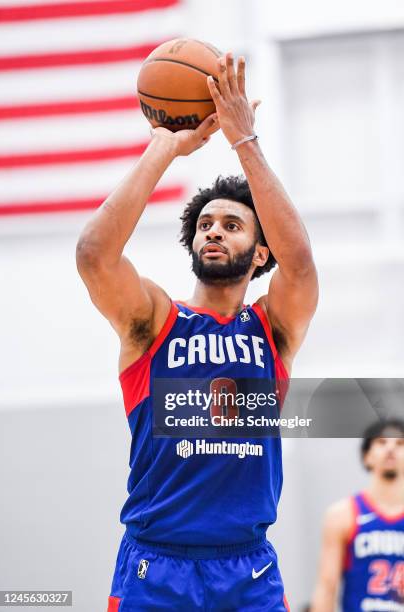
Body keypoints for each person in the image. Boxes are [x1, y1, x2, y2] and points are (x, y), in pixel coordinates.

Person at [76, 52, 318, 611]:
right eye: (205, 225)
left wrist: (244, 140)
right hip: (154, 565)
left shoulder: (271, 329)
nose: (214, 231)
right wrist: (167, 143)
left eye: (232, 225)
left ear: (260, 253)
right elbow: (93, 255)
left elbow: (300, 263)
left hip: (247, 566)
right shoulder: (154, 321)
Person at [311, 419, 404, 611]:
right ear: (367, 455)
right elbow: (327, 587)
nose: (390, 449)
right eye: (381, 442)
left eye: (400, 443)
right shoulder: (343, 514)